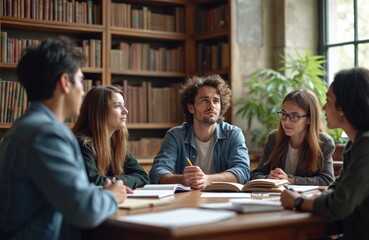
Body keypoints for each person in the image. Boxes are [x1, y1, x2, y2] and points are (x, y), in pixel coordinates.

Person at [0, 36, 130, 240]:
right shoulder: (46, 134)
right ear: (65, 83)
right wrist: (112, 194)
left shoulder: (25, 127)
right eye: (80, 80)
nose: (83, 90)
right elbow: (84, 210)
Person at [280, 67, 369, 239]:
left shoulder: (366, 144)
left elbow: (339, 204)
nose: (323, 107)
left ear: (343, 107)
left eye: (328, 100)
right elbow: (336, 188)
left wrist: (298, 201)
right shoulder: (354, 143)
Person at [149, 74, 250, 190]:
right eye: (204, 100)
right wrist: (182, 180)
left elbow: (242, 171)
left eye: (216, 101)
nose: (211, 105)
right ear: (191, 108)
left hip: (222, 197)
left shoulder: (233, 134)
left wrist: (207, 180)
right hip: (187, 199)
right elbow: (157, 173)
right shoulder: (175, 136)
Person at [250, 89, 335, 185]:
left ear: (309, 119)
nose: (286, 121)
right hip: (275, 197)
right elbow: (256, 174)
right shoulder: (274, 138)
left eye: (295, 116)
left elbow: (327, 180)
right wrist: (268, 178)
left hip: (305, 198)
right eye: (284, 114)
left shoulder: (324, 142)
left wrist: (291, 180)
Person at [72, 86, 149, 189]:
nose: (125, 111)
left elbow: (143, 176)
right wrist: (118, 182)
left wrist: (116, 181)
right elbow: (94, 181)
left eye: (124, 105)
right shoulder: (83, 144)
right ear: (99, 111)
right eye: (117, 106)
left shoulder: (116, 142)